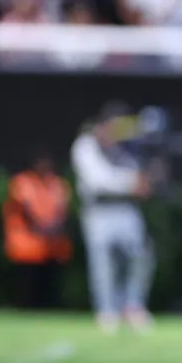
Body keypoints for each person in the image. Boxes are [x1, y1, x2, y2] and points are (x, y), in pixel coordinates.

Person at [71, 101, 155, 333]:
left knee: (140, 255)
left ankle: (133, 306)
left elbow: (142, 175)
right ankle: (106, 311)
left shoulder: (127, 146)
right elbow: (98, 180)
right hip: (99, 211)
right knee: (103, 263)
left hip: (126, 209)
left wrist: (148, 178)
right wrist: (132, 182)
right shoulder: (86, 145)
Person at [3, 149, 72, 309]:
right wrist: (43, 227)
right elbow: (25, 209)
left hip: (53, 246)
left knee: (50, 287)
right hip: (28, 245)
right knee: (27, 286)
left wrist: (54, 227)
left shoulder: (57, 184)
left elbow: (63, 211)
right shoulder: (22, 182)